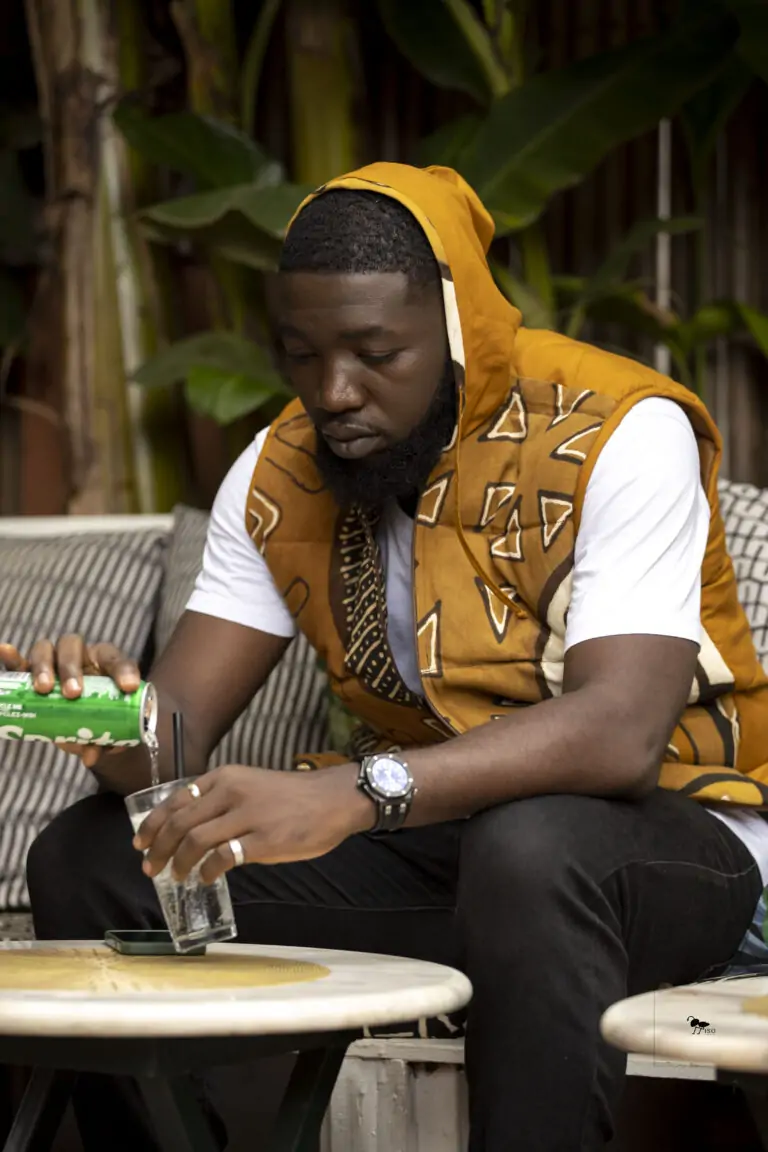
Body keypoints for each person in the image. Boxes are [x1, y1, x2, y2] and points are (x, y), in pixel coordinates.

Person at [8, 162, 768, 1151]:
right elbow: (169, 747)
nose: (334, 392)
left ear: (456, 331)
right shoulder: (279, 472)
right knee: (98, 856)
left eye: (376, 354)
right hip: (450, 852)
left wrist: (352, 794)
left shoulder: (619, 430)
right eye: (302, 354)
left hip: (674, 851)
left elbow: (619, 736)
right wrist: (92, 714)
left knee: (530, 847)